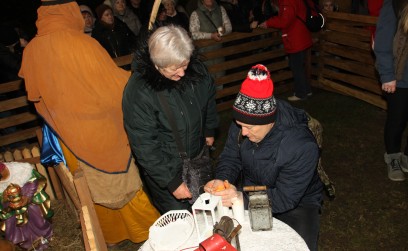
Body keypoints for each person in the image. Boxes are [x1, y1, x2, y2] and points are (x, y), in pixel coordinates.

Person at [18, 0, 160, 246]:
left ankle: (110, 237)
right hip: (101, 132)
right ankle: (149, 232)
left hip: (67, 136)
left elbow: (35, 96)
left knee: (90, 192)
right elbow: (115, 87)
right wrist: (137, 76)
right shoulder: (84, 44)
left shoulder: (32, 49)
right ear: (67, 11)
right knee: (123, 187)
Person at [204, 64, 323, 251]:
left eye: (249, 128)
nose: (243, 132)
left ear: (269, 120)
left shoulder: (301, 146)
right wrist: (222, 180)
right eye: (239, 125)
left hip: (298, 203)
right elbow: (230, 156)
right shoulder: (244, 121)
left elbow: (285, 198)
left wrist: (239, 198)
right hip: (252, 188)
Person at [122, 25, 219, 214]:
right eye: (174, 68)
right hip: (167, 168)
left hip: (198, 157)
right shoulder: (139, 92)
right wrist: (172, 182)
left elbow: (208, 99)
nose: (182, 73)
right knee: (181, 221)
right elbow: (144, 145)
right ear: (157, 64)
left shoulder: (195, 70)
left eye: (185, 64)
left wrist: (209, 129)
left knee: (209, 213)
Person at [374, 0, 408, 181]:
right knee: (397, 120)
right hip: (400, 77)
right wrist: (387, 75)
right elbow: (383, 42)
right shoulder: (394, 5)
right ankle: (393, 157)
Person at [259, 0, 314, 101]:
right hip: (301, 35)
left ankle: (300, 93)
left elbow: (285, 21)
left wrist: (268, 22)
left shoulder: (288, 1)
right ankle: (306, 90)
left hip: (296, 38)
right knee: (299, 66)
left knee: (296, 66)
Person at [0, 162, 53, 251]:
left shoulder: (20, 170)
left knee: (37, 217)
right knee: (11, 223)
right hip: (11, 208)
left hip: (30, 201)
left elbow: (35, 181)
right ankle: (24, 243)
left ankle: (44, 238)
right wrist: (5, 199)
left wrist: (27, 196)